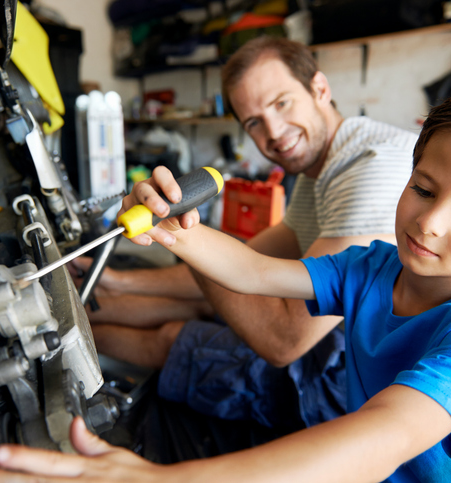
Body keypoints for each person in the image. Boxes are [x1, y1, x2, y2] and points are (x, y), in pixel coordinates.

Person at [0, 73, 451, 482]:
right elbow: (253, 272)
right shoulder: (375, 266)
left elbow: (383, 438)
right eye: (423, 189)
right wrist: (175, 230)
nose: (428, 222)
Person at [73, 36, 418, 429]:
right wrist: (118, 282)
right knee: (205, 303)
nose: (273, 132)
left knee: (178, 336)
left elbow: (283, 338)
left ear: (319, 89)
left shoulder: (372, 167)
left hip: (365, 386)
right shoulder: (319, 169)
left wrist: (181, 236)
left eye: (282, 102)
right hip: (338, 343)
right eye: (254, 122)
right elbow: (246, 265)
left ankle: (67, 346)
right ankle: (72, 324)